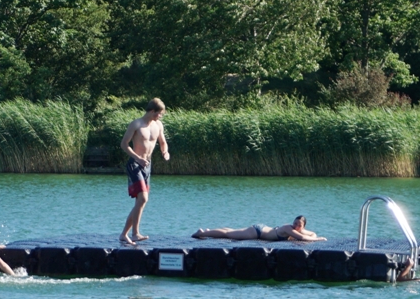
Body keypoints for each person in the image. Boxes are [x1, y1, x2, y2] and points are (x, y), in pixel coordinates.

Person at [119, 98, 170, 245]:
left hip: (147, 165)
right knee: (143, 199)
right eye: (159, 113)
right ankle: (135, 233)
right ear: (152, 111)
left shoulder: (158, 125)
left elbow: (163, 142)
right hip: (135, 164)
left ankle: (124, 235)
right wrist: (138, 158)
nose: (160, 116)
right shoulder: (136, 124)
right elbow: (124, 144)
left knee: (140, 202)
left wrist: (165, 152)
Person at [191, 216, 327, 243]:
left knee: (231, 231)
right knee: (228, 234)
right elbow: (304, 238)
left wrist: (313, 234)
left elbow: (309, 233)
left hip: (260, 229)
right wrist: (318, 239)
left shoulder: (297, 230)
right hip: (257, 232)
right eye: (295, 223)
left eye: (299, 225)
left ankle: (208, 230)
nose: (296, 225)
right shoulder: (288, 228)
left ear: (303, 226)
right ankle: (202, 233)